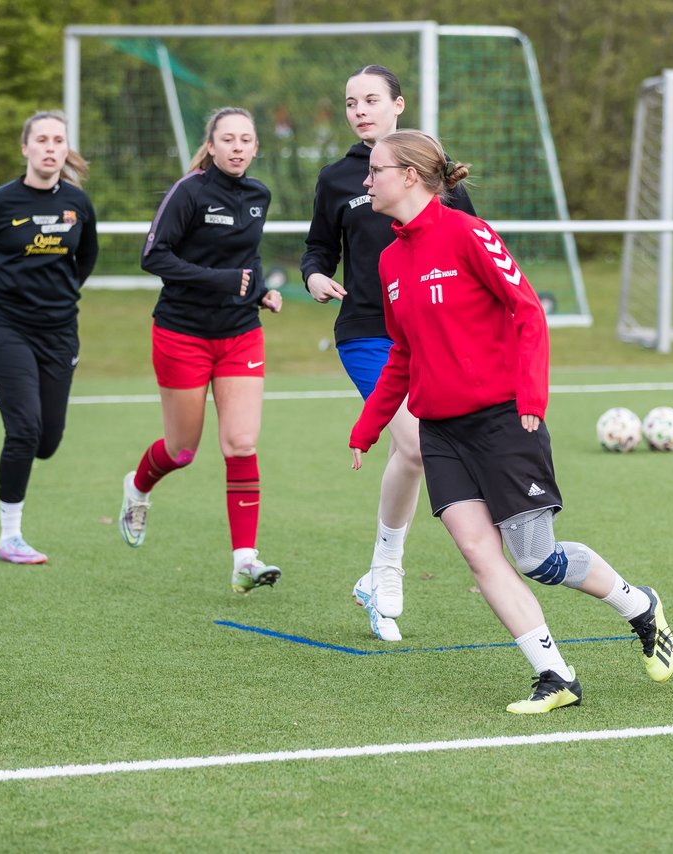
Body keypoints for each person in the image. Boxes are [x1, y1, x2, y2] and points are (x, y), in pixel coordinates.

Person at [349, 130, 673, 714]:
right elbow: (401, 354)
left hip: (505, 421)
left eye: (375, 170)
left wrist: (531, 395)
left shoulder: (468, 233)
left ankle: (639, 604)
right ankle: (555, 675)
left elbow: (528, 312)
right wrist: (368, 427)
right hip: (442, 432)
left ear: (410, 176)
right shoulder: (389, 260)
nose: (366, 180)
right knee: (479, 554)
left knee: (534, 558)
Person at [301, 65, 475, 642]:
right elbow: (318, 249)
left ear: (398, 104)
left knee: (418, 453)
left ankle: (378, 571)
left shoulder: (433, 174)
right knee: (414, 443)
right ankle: (387, 567)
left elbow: (475, 254)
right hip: (368, 335)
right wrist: (315, 277)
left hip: (431, 337)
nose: (359, 110)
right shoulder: (336, 178)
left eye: (371, 99)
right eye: (351, 102)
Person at [118, 107, 284, 594]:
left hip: (240, 334)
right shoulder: (189, 191)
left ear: (255, 147)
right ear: (210, 146)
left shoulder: (259, 195)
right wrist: (226, 281)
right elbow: (153, 256)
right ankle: (138, 486)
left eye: (245, 139)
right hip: (182, 333)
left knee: (241, 444)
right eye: (227, 139)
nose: (236, 147)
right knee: (182, 450)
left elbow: (247, 259)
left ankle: (245, 560)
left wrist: (258, 293)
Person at [0, 111, 99, 565]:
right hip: (3, 327)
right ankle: (11, 537)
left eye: (58, 139)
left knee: (47, 441)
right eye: (41, 139)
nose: (50, 147)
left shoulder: (78, 203)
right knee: (24, 430)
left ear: (65, 149)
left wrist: (60, 297)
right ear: (26, 148)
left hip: (59, 332)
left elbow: (87, 256)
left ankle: (29, 442)